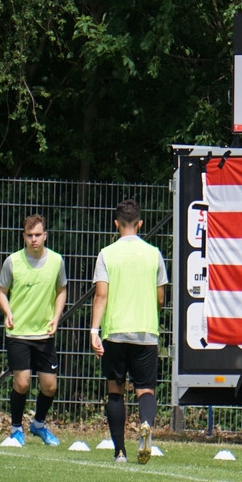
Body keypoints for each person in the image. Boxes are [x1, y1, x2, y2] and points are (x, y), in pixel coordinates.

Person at [90, 199, 168, 464]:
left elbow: (101, 295)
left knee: (115, 390)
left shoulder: (107, 254)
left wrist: (94, 330)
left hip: (115, 332)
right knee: (145, 390)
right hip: (145, 331)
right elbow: (160, 298)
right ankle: (145, 424)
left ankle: (120, 452)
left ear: (116, 224)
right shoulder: (154, 254)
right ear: (140, 224)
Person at [0, 214, 68, 447]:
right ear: (24, 237)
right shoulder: (13, 262)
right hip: (19, 333)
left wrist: (56, 317)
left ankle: (38, 425)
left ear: (45, 235)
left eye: (37, 235)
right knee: (22, 382)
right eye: (29, 235)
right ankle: (16, 429)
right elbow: (0, 291)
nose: (34, 239)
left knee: (50, 386)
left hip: (44, 334)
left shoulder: (56, 261)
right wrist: (8, 312)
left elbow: (62, 290)